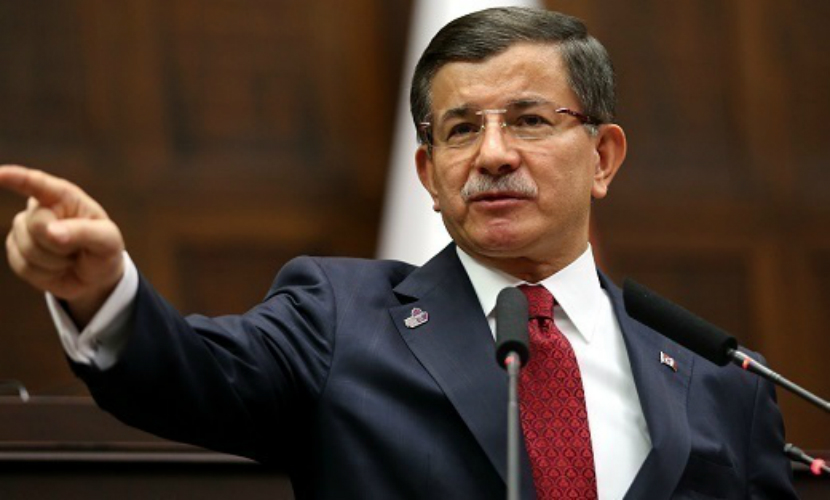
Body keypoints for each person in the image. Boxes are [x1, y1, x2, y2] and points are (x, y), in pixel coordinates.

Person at [0, 7, 796, 500]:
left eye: (528, 120)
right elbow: (191, 376)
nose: (492, 154)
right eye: (461, 129)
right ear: (429, 173)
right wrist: (105, 292)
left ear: (603, 157)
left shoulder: (722, 383)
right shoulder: (339, 320)